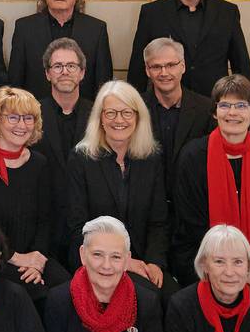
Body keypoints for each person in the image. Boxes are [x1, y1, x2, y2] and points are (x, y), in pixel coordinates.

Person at [172, 74, 250, 295]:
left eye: (241, 105)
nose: (232, 112)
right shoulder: (193, 156)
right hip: (203, 252)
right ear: (215, 112)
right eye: (224, 105)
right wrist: (222, 265)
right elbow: (190, 220)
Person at [0, 86, 68, 307]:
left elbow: (47, 220)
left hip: (34, 257)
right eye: (13, 117)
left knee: (69, 289)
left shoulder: (40, 163)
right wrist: (15, 257)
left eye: (28, 118)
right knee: (34, 295)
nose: (22, 125)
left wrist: (36, 260)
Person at [67, 81, 172, 293]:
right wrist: (123, 262)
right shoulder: (81, 158)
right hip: (97, 263)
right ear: (100, 119)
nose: (119, 120)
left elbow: (158, 221)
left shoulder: (151, 158)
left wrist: (154, 262)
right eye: (111, 113)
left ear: (138, 117)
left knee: (171, 299)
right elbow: (77, 225)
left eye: (127, 113)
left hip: (143, 260)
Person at [127, 0, 250, 97]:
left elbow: (241, 65)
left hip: (214, 103)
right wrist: (134, 105)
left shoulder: (227, 12)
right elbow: (137, 66)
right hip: (165, 104)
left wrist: (245, 102)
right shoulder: (152, 13)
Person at [8, 0, 113, 99]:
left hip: (84, 114)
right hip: (35, 113)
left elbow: (103, 83)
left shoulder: (96, 29)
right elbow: (15, 83)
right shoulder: (24, 28)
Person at [31, 38, 92, 262]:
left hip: (88, 224)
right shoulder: (31, 115)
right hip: (43, 223)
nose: (64, 72)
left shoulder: (100, 115)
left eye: (71, 66)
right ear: (47, 73)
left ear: (82, 72)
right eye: (57, 66)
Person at [139, 37, 212, 207]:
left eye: (171, 65)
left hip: (193, 205)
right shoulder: (134, 109)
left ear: (183, 66)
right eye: (156, 67)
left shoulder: (206, 110)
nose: (164, 73)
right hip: (146, 207)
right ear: (147, 71)